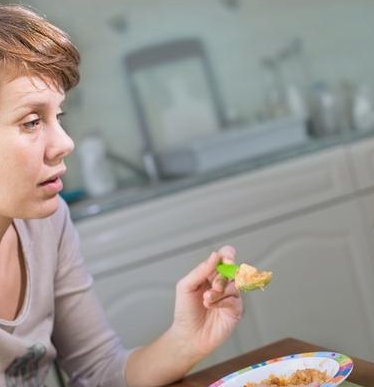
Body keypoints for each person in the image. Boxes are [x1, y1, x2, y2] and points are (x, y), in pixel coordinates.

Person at [0, 4, 242, 386]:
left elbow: (100, 373)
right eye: (32, 121)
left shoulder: (49, 222)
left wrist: (186, 340)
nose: (64, 143)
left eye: (56, 118)